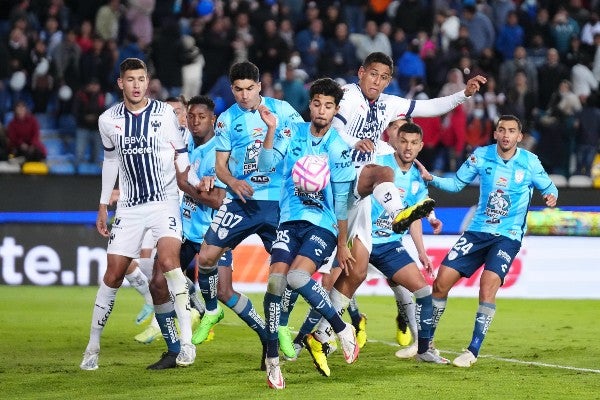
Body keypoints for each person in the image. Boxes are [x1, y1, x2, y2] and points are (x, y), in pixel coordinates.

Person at [304, 51, 485, 365]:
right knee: (383, 172)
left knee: (356, 272)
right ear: (361, 73)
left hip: (362, 193)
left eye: (383, 77)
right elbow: (333, 128)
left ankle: (319, 332)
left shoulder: (388, 103)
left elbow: (429, 108)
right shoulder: (346, 96)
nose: (377, 81)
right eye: (372, 74)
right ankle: (399, 212)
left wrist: (462, 95)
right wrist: (353, 142)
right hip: (340, 178)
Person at [80, 58, 202, 371]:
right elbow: (110, 163)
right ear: (121, 83)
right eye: (130, 79)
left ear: (148, 82)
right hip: (131, 207)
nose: (136, 85)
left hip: (164, 201)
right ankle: (92, 347)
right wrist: (103, 204)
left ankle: (186, 344)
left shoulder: (164, 113)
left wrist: (199, 181)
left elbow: (182, 154)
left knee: (169, 263)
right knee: (113, 275)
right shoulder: (108, 120)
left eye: (141, 79)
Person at [414, 114, 558, 367]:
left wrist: (551, 196)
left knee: (488, 283)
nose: (505, 135)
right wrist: (431, 179)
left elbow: (550, 187)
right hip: (477, 231)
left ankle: (472, 351)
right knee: (441, 282)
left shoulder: (530, 162)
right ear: (495, 133)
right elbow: (457, 184)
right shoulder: (481, 156)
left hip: (507, 236)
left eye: (511, 131)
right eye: (501, 130)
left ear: (519, 136)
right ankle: (426, 345)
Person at [194, 61, 305, 368]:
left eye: (249, 89)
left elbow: (306, 140)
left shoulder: (282, 110)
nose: (244, 96)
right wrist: (232, 182)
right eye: (238, 90)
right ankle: (212, 308)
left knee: (289, 272)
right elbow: (220, 165)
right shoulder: (227, 120)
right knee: (205, 258)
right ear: (233, 89)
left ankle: (281, 324)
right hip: (240, 201)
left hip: (277, 202)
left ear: (260, 87)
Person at [257, 77, 359, 389]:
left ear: (336, 110)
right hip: (289, 221)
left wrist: (343, 244)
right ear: (310, 104)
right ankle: (273, 362)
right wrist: (272, 131)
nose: (322, 110)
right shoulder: (292, 132)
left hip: (323, 225)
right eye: (317, 104)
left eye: (329, 106)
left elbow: (342, 202)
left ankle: (342, 328)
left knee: (297, 278)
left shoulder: (340, 149)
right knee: (274, 285)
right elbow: (266, 165)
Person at [173, 95, 270, 369]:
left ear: (212, 120)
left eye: (201, 117)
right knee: (162, 278)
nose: (195, 122)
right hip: (186, 233)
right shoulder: (188, 144)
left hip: (213, 233)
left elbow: (217, 200)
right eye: (191, 116)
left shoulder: (219, 150)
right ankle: (181, 342)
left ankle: (266, 335)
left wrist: (186, 186)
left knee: (225, 292)